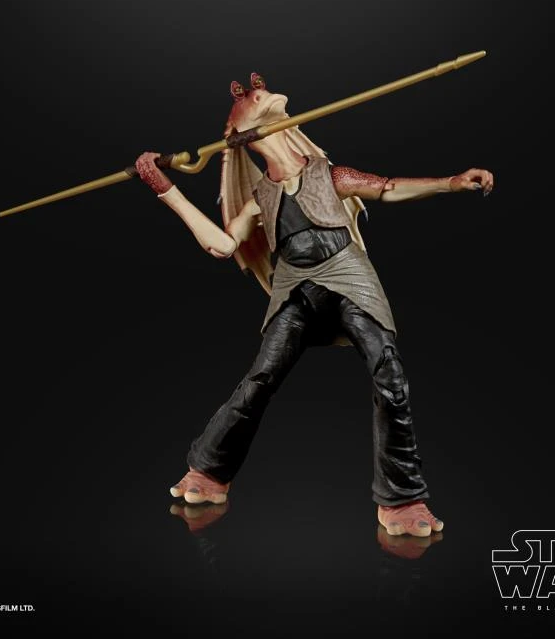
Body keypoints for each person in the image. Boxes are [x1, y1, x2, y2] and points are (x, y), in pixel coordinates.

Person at [135, 73, 494, 537]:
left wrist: (451, 182)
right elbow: (222, 246)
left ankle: (403, 498)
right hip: (294, 287)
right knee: (261, 376)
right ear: (240, 134)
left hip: (348, 274)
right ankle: (208, 471)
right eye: (248, 96)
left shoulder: (330, 174)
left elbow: (387, 187)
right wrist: (165, 189)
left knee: (389, 373)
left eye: (256, 92)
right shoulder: (260, 198)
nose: (256, 92)